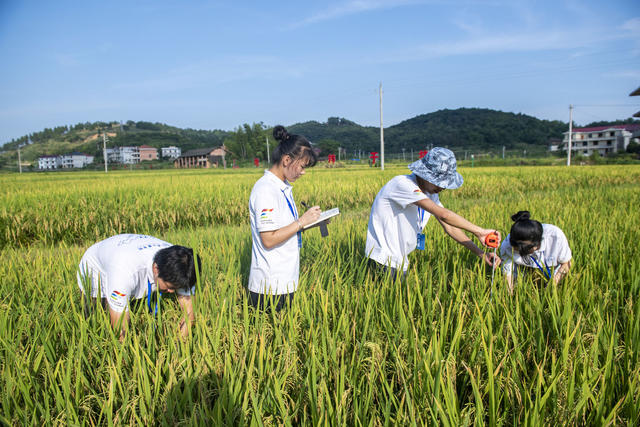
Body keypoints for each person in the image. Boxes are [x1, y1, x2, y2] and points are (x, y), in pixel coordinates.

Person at [366, 147, 501, 281]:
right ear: (425, 174)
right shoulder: (402, 184)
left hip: (399, 259)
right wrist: (480, 231)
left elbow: (450, 227)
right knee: (393, 300)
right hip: (383, 260)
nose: (442, 187)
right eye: (439, 181)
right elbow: (444, 215)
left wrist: (481, 253)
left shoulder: (430, 193)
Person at [248, 125, 322, 311]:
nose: (303, 172)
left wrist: (311, 222)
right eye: (302, 166)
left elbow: (286, 228)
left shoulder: (282, 186)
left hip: (284, 279)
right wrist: (301, 221)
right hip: (270, 286)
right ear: (287, 160)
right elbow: (268, 239)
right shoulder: (266, 190)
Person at [77, 234, 201, 340]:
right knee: (96, 319)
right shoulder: (123, 273)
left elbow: (189, 315)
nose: (172, 292)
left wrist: (179, 345)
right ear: (156, 269)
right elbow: (120, 331)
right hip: (96, 270)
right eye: (170, 287)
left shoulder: (183, 264)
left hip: (129, 251)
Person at [500, 211, 572, 294]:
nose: (522, 254)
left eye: (525, 251)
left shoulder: (555, 237)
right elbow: (508, 273)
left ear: (537, 245)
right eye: (518, 251)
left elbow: (566, 264)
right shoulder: (507, 245)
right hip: (523, 270)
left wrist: (552, 285)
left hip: (552, 268)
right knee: (518, 282)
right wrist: (509, 296)